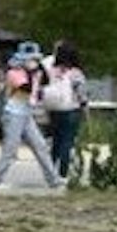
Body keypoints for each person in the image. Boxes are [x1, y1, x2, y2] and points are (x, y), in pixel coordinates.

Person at [0, 41, 54, 189]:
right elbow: (26, 88)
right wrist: (31, 72)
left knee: (40, 146)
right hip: (13, 114)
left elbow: (46, 80)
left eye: (36, 59)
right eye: (31, 59)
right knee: (10, 150)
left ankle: (53, 179)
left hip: (26, 114)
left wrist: (39, 67)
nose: (33, 62)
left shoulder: (36, 72)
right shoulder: (13, 72)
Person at [40, 46, 90, 182]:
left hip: (54, 109)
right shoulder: (75, 73)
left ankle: (50, 172)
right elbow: (82, 93)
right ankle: (63, 174)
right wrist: (85, 110)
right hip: (71, 110)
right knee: (67, 142)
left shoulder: (51, 71)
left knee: (55, 142)